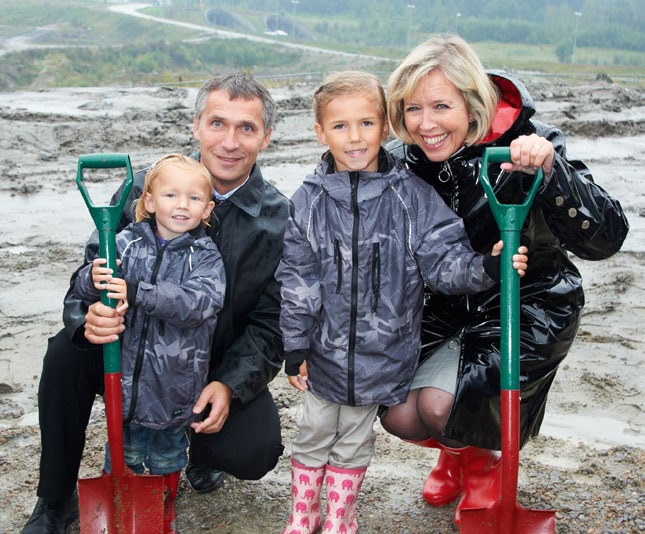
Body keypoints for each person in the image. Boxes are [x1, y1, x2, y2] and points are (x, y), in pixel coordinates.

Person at [22, 71, 288, 534]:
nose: (229, 141)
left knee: (254, 449)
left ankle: (200, 455)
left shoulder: (280, 221)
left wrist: (229, 383)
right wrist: (86, 318)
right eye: (217, 123)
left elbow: (271, 325)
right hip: (131, 351)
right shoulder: (142, 188)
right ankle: (54, 499)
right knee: (64, 354)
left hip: (208, 363)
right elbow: (89, 272)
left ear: (265, 136)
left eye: (246, 128)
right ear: (195, 125)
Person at [382, 34, 630, 527]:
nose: (426, 125)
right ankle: (457, 451)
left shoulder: (530, 142)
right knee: (396, 411)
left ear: (472, 102)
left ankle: (479, 468)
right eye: (412, 109)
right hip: (447, 303)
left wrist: (552, 170)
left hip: (529, 299)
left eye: (441, 106)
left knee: (440, 403)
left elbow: (607, 237)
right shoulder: (401, 160)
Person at [274, 71, 529, 534]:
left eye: (366, 124)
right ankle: (302, 513)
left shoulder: (410, 197)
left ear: (386, 127)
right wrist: (295, 344)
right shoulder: (308, 201)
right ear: (319, 132)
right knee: (311, 435)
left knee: (353, 439)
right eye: (340, 126)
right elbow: (297, 279)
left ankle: (340, 517)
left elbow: (442, 258)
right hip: (323, 356)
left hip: (382, 357)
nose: (354, 137)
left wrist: (485, 268)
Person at [72, 154, 225, 532]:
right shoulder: (122, 244)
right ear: (150, 201)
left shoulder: (205, 257)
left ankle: (164, 509)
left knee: (167, 455)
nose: (181, 205)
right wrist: (93, 278)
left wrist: (140, 292)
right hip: (123, 386)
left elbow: (198, 304)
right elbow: (82, 286)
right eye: (171, 195)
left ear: (206, 209)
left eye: (193, 198)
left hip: (173, 387)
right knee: (121, 453)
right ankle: (123, 508)